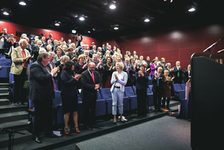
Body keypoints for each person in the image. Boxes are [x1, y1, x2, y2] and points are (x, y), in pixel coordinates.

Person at [29, 52, 59, 143]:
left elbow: (49, 77)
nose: (50, 60)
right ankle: (36, 135)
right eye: (48, 58)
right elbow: (41, 78)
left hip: (48, 94)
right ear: (43, 58)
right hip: (39, 95)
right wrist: (51, 73)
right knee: (39, 116)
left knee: (48, 114)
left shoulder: (47, 65)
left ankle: (48, 132)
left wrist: (53, 74)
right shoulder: (35, 66)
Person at [60, 61, 81, 135]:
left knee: (75, 111)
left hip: (73, 93)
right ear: (69, 66)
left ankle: (76, 126)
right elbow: (66, 83)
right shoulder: (63, 72)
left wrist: (77, 79)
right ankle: (66, 127)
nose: (73, 67)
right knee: (67, 111)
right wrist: (74, 79)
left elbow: (75, 83)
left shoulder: (72, 72)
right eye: (72, 65)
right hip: (66, 94)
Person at [81, 62, 101, 129]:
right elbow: (84, 84)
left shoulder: (96, 73)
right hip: (86, 94)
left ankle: (92, 123)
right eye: (92, 67)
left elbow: (99, 81)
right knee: (86, 110)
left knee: (93, 109)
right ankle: (86, 124)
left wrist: (98, 85)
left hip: (94, 94)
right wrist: (94, 87)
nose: (93, 69)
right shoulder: (84, 74)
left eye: (94, 67)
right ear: (88, 67)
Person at [10, 39, 31, 104]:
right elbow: (14, 59)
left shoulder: (27, 51)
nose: (27, 45)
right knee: (17, 86)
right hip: (17, 70)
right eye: (26, 44)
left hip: (25, 69)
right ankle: (16, 100)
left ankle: (22, 100)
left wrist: (29, 59)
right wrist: (24, 59)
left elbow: (28, 59)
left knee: (24, 86)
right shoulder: (15, 50)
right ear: (21, 44)